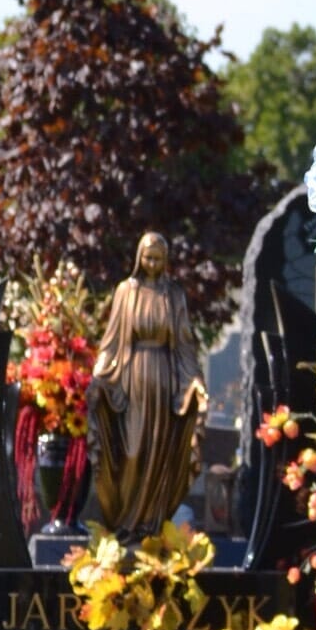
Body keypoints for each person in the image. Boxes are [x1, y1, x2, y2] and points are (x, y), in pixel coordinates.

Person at [86, 230, 207, 539]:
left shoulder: (173, 295)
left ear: (165, 261)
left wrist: (194, 381)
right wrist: (99, 377)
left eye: (158, 259)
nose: (152, 264)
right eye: (147, 257)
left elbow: (183, 343)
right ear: (139, 258)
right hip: (131, 379)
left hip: (164, 380)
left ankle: (151, 527)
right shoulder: (126, 291)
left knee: (159, 452)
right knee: (132, 452)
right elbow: (110, 342)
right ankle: (125, 523)